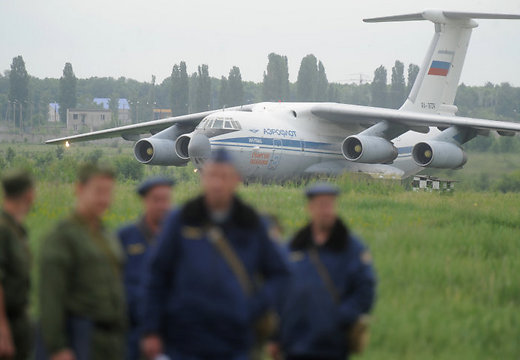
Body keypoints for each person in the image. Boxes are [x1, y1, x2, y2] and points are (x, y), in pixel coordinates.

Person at [141, 149, 290, 360]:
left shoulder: (250, 224)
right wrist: (151, 330)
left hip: (235, 339)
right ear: (203, 178)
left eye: (224, 177)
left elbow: (280, 274)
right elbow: (157, 274)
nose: (217, 184)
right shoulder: (182, 220)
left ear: (236, 180)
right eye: (212, 176)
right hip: (185, 338)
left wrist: (254, 305)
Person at [269, 183, 376, 360]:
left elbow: (365, 290)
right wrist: (274, 337)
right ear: (310, 208)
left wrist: (340, 318)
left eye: (329, 204)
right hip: (293, 346)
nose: (326, 210)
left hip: (332, 345)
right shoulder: (293, 247)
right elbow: (277, 292)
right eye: (321, 205)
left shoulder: (351, 249)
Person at [36, 163, 126, 360]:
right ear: (79, 189)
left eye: (108, 192)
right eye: (98, 191)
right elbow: (51, 299)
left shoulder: (106, 236)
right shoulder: (62, 238)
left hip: (110, 341)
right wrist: (58, 348)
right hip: (81, 338)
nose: (104, 199)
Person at [118, 177, 174, 360]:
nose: (162, 206)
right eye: (156, 200)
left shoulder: (179, 239)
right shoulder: (125, 238)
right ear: (145, 201)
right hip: (133, 333)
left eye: (166, 200)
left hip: (171, 335)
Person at [0, 170, 35, 360]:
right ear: (28, 194)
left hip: (18, 319)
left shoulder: (16, 229)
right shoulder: (4, 230)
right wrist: (2, 328)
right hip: (8, 321)